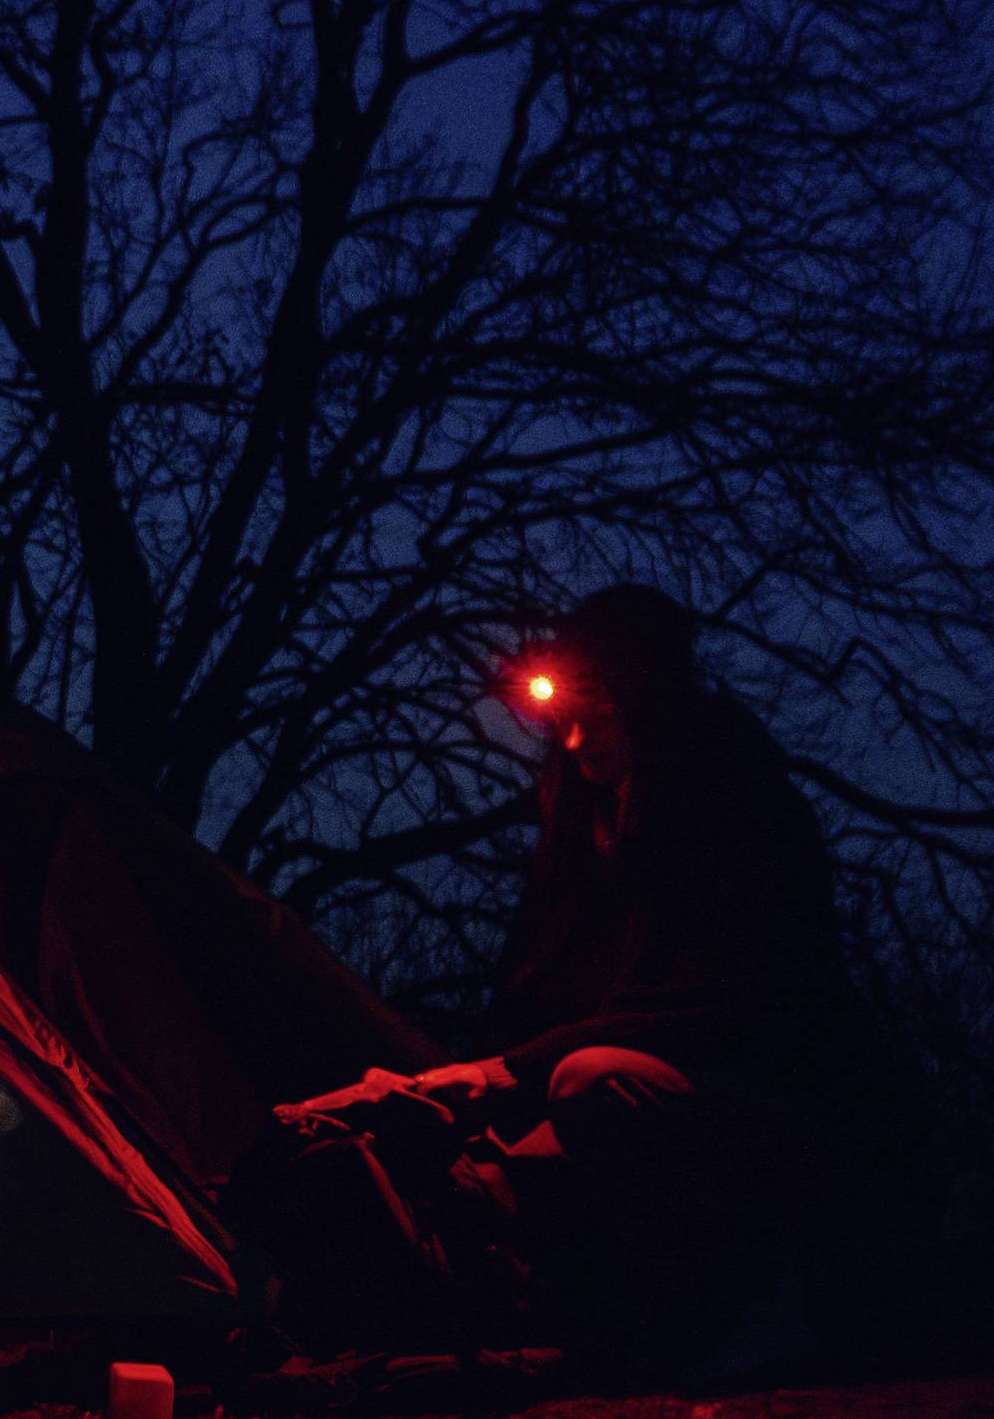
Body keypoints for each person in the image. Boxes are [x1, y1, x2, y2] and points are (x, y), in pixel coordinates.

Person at [240, 584, 897, 1370]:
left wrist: (508, 1072)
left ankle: (743, 1316)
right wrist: (454, 1091)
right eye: (563, 719)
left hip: (767, 1099)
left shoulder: (728, 800)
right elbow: (545, 991)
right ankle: (516, 1321)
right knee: (474, 1171)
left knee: (592, 1084)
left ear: (642, 696)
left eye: (597, 711)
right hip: (646, 1089)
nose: (578, 739)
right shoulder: (584, 831)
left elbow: (711, 1011)